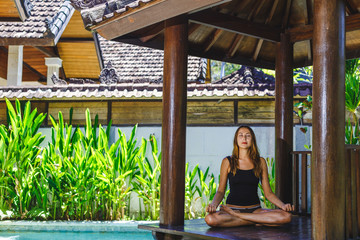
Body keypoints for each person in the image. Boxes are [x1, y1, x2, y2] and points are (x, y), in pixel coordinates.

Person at [205, 126, 294, 227]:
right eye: (241, 135)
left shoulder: (260, 162)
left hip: (255, 210)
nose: (244, 138)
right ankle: (258, 221)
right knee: (210, 219)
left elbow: (268, 193)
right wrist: (213, 205)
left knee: (286, 216)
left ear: (252, 140)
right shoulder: (228, 162)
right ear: (236, 140)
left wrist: (283, 206)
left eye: (248, 136)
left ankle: (241, 218)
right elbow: (221, 191)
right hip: (232, 209)